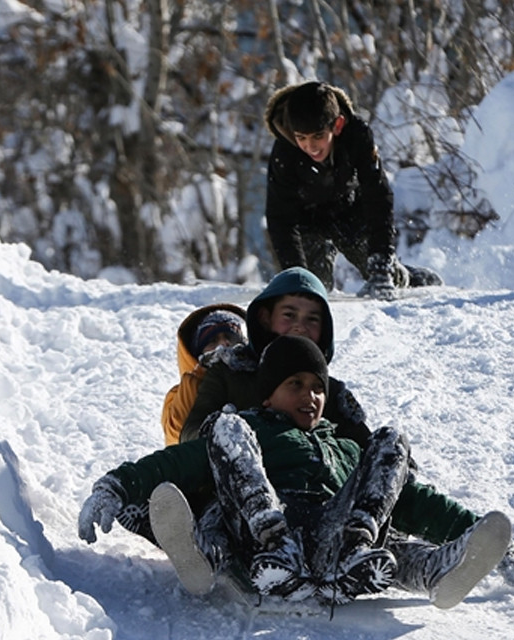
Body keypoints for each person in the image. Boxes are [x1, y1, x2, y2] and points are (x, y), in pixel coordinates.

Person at [79, 334, 514, 607]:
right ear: (268, 395)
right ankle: (205, 555)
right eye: (296, 386)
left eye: (317, 389)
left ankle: (440, 569)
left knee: (390, 444)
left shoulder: (344, 446)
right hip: (263, 540)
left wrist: (477, 533)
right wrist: (116, 486)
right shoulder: (253, 426)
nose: (310, 397)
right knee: (225, 430)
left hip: (341, 545)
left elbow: (407, 500)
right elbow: (180, 460)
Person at [264, 80, 442, 297]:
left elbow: (377, 195)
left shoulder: (357, 135)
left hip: (349, 213)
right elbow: (280, 217)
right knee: (313, 289)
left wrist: (381, 265)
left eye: (318, 136)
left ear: (337, 126)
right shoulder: (284, 151)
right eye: (301, 138)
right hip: (306, 222)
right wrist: (295, 276)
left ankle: (411, 277)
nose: (310, 146)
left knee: (388, 278)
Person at [180, 266, 372, 448]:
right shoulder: (230, 375)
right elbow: (189, 434)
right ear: (265, 318)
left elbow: (366, 449)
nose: (300, 327)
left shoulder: (325, 391)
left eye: (312, 319)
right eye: (289, 315)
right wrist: (227, 433)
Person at [161, 304, 246, 446]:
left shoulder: (257, 378)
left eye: (230, 337)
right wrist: (199, 377)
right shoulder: (181, 392)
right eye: (212, 341)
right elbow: (177, 434)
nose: (223, 345)